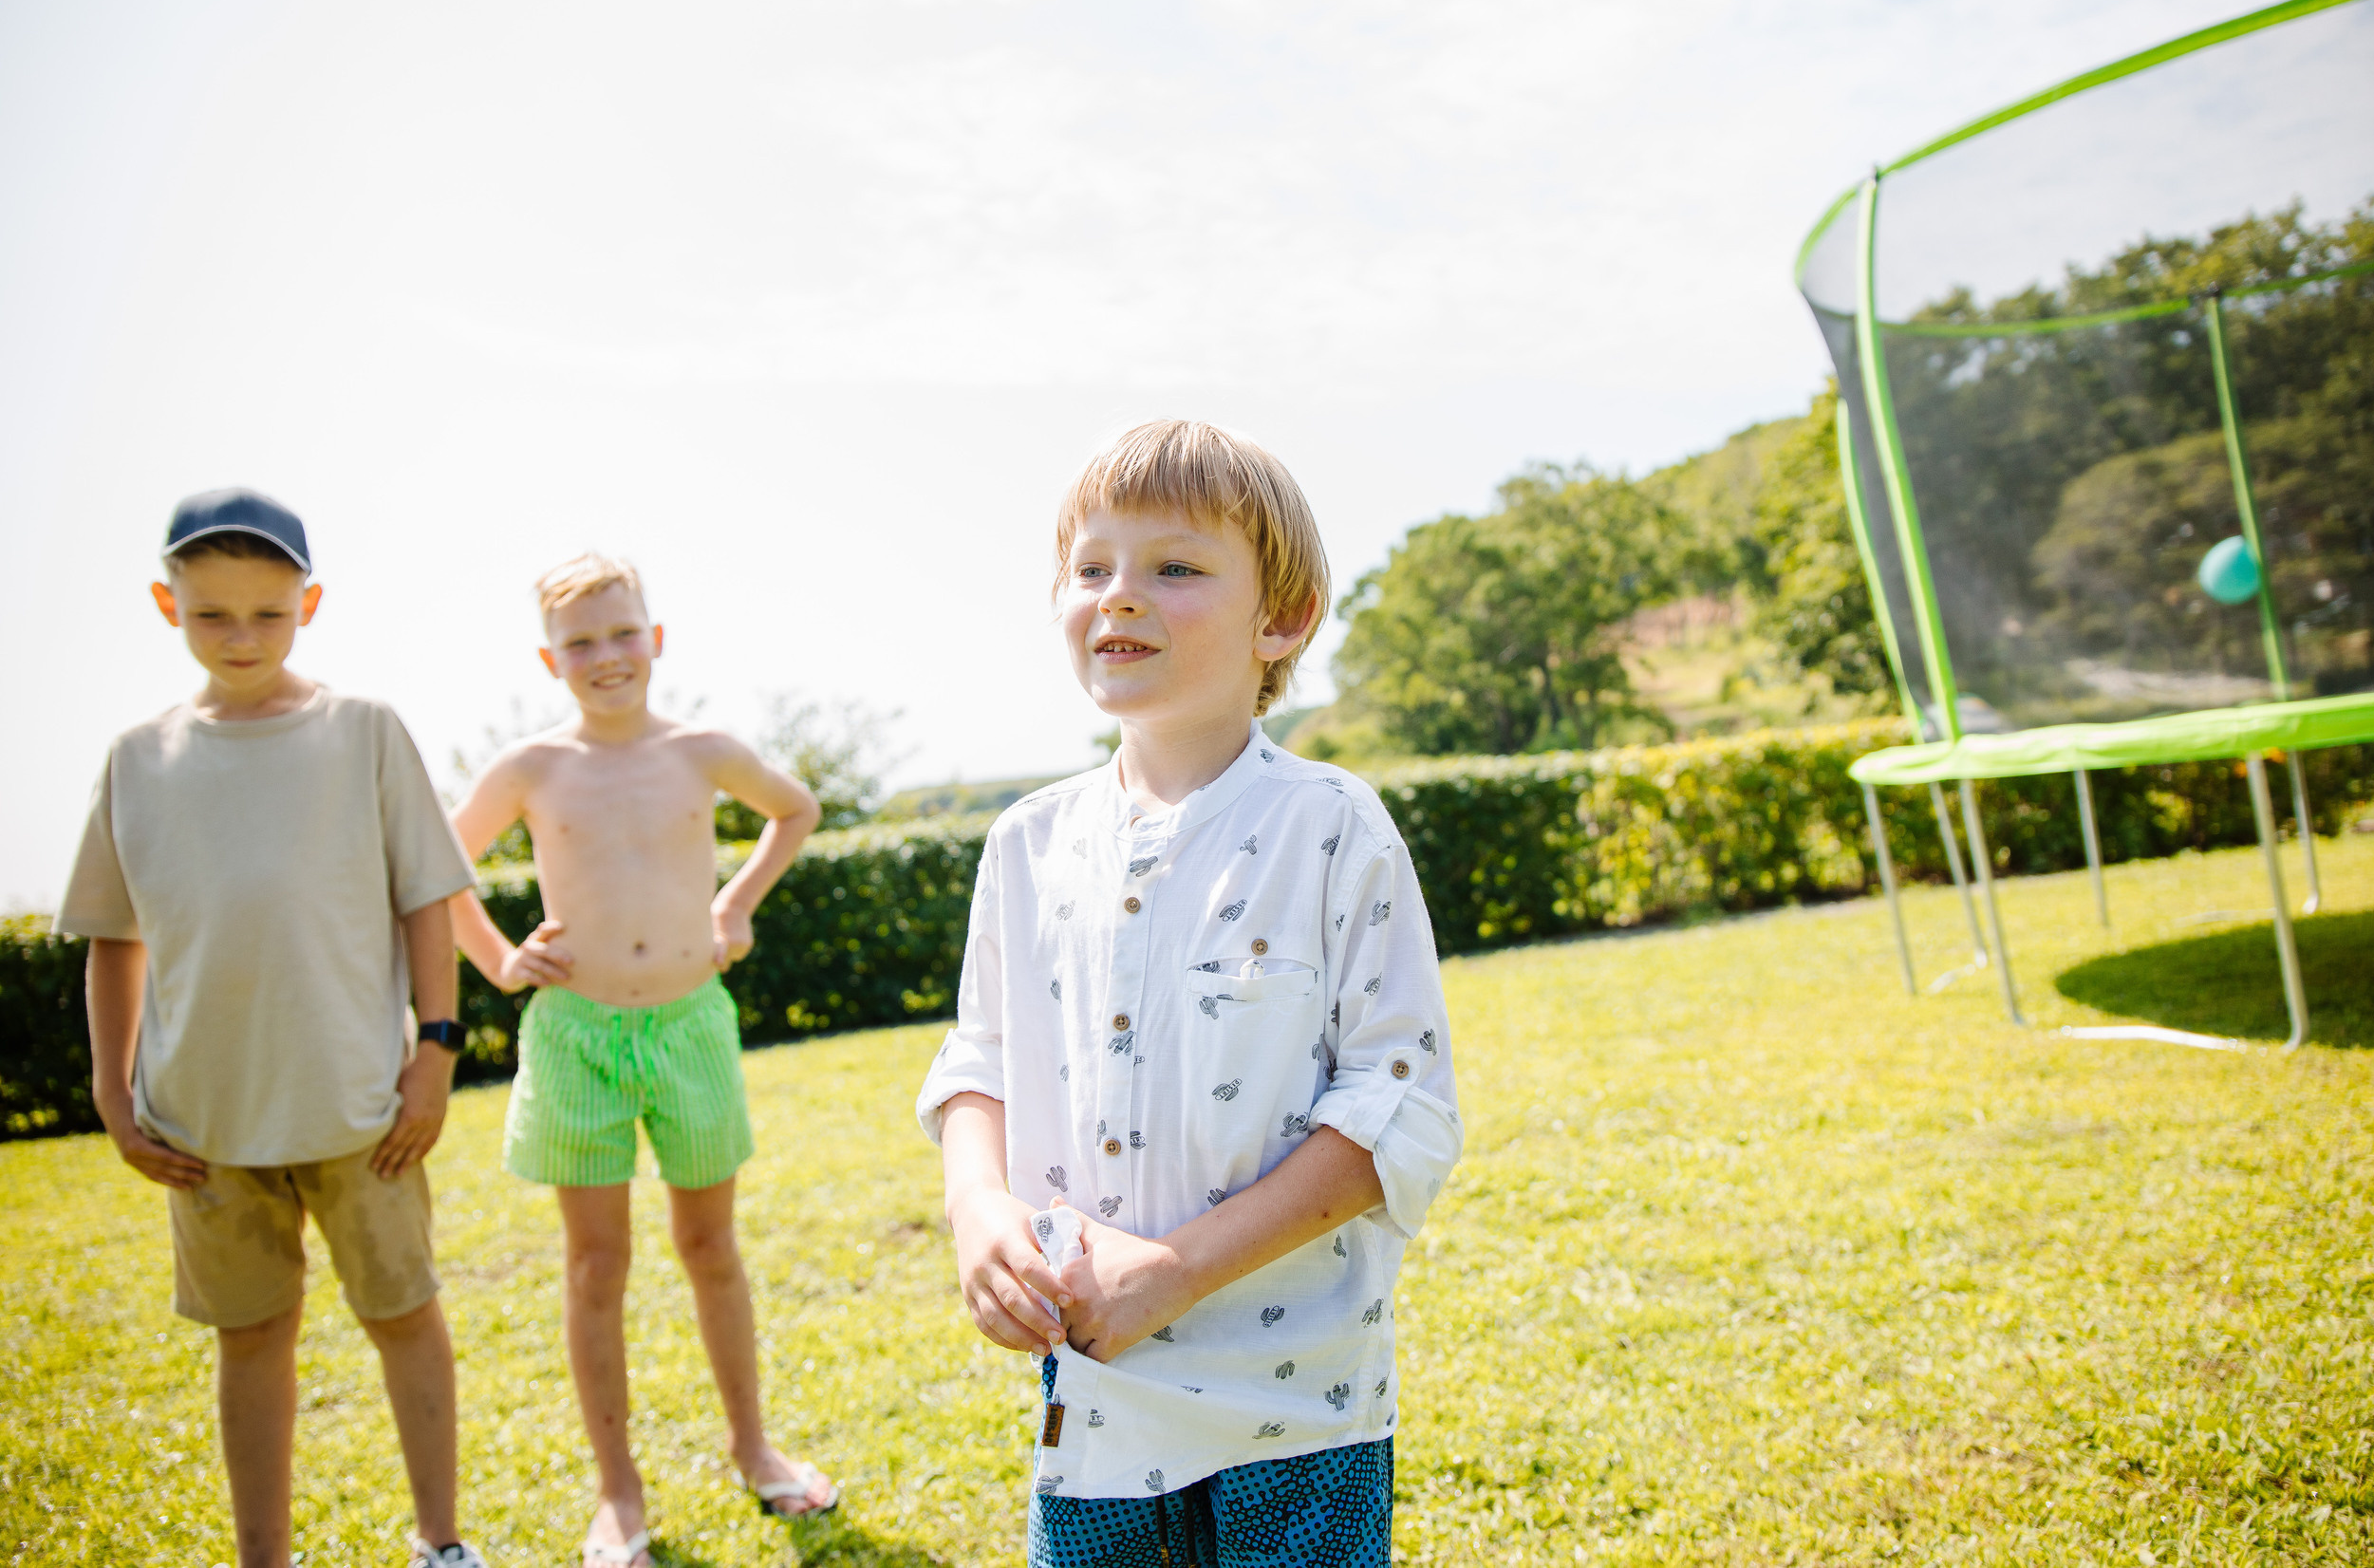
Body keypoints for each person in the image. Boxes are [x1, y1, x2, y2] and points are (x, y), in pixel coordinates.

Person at [918, 420, 1464, 1566]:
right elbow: (980, 1064)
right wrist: (977, 1210)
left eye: (1172, 567)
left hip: (1296, 1409)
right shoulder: (1026, 844)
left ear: (1284, 618)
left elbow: (1395, 1105)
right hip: (1095, 1403)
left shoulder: (1330, 828)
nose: (1119, 596)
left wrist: (1170, 1272)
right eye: (1091, 568)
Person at [59, 490, 487, 1568]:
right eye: (212, 615)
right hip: (202, 1125)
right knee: (251, 1343)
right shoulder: (137, 759)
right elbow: (115, 941)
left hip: (363, 1108)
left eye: (267, 612)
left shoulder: (364, 732)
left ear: (311, 602)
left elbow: (425, 901)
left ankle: (441, 1545)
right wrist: (114, 1097)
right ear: (167, 604)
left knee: (404, 1317)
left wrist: (434, 1053)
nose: (241, 637)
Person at [447, 553, 836, 1568]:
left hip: (689, 1027)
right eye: (580, 642)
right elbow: (439, 866)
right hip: (574, 1035)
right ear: (550, 659)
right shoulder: (531, 767)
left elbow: (794, 808)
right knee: (595, 1264)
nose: (606, 656)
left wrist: (736, 904)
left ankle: (754, 1450)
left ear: (655, 640)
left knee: (711, 1249)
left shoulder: (701, 750)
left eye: (624, 634)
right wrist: (499, 959)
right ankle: (617, 1497)